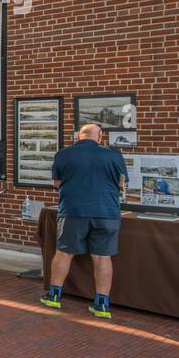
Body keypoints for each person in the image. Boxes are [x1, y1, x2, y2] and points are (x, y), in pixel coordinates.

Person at [42, 123, 128, 318]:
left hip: (73, 211)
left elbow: (56, 183)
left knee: (64, 253)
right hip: (107, 212)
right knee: (102, 257)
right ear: (100, 137)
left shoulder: (63, 154)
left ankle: (54, 297)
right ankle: (102, 305)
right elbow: (123, 183)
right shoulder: (114, 155)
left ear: (79, 136)